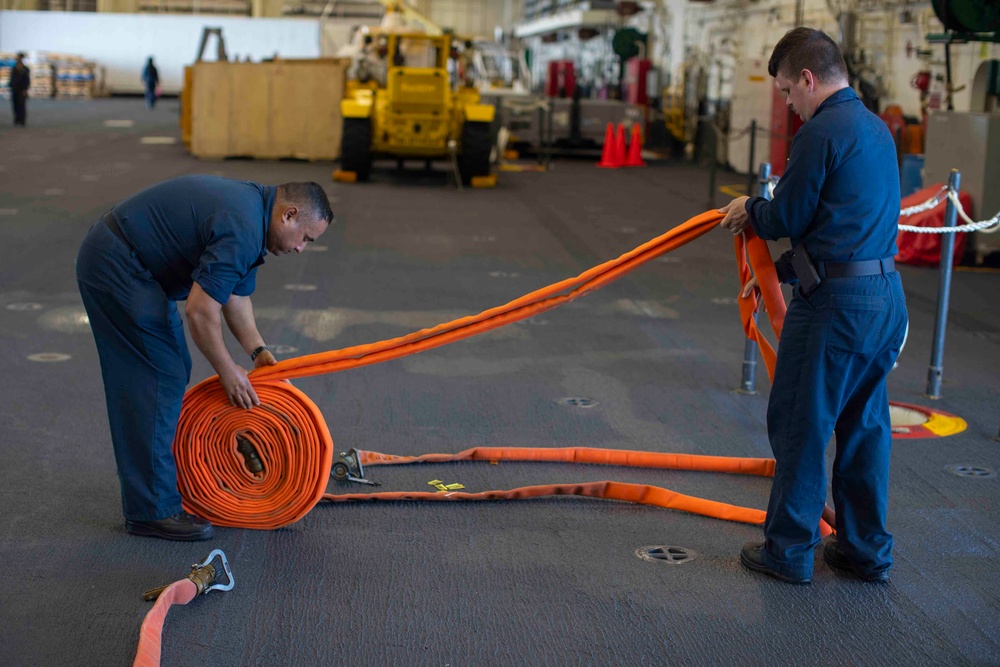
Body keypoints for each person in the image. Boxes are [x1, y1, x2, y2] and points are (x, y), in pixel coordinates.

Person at [718, 27, 907, 584]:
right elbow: (841, 227)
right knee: (864, 426)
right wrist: (772, 276)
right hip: (884, 299)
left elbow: (788, 218)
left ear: (807, 78)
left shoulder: (821, 132)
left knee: (801, 422)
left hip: (836, 310)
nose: (789, 106)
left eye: (786, 92)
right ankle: (864, 551)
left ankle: (789, 551)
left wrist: (749, 206)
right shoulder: (876, 129)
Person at [76, 176, 334, 541]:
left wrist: (260, 355)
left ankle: (152, 490)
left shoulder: (253, 217)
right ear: (289, 215)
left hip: (137, 267)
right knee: (157, 375)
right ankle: (152, 510)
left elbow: (234, 295)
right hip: (118, 264)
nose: (300, 249)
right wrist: (228, 370)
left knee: (172, 365)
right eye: (306, 238)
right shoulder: (244, 225)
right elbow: (199, 311)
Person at [9, 52, 30, 126]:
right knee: (15, 105)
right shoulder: (14, 68)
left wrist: (25, 89)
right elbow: (12, 79)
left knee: (22, 105)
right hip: (15, 89)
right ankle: (17, 119)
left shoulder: (25, 69)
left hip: (22, 90)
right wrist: (11, 86)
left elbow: (27, 80)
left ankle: (22, 120)